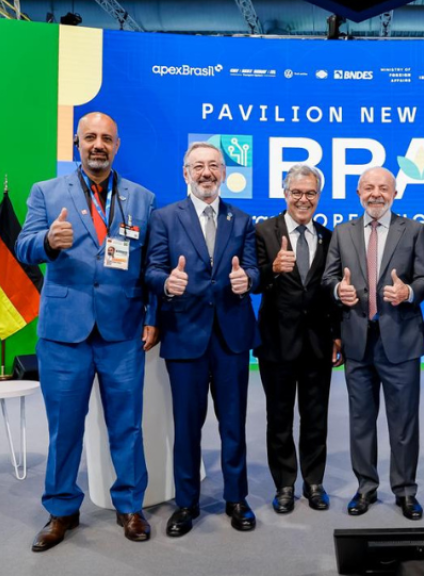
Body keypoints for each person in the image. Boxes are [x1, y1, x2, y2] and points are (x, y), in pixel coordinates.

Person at [15, 112, 158, 551]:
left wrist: (153, 315)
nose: (98, 144)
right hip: (64, 333)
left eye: (106, 139)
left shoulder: (142, 198)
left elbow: (151, 265)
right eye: (90, 137)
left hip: (123, 330)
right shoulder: (45, 192)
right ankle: (61, 510)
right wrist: (47, 242)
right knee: (65, 427)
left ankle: (130, 506)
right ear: (77, 143)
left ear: (117, 145)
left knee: (127, 425)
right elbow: (23, 247)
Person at [144, 141, 260, 537]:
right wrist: (167, 282)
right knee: (187, 426)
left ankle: (236, 498)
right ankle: (186, 503)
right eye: (198, 166)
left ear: (224, 172)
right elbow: (152, 270)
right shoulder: (164, 218)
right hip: (184, 335)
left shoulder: (242, 220)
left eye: (214, 165)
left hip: (231, 339)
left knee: (233, 424)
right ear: (186, 173)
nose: (206, 172)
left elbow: (253, 269)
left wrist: (247, 280)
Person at [322, 167, 424, 520]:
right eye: (368, 187)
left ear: (395, 193)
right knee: (361, 421)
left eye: (383, 188)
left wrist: (408, 292)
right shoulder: (343, 232)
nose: (376, 194)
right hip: (357, 341)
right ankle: (366, 488)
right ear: (358, 193)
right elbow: (328, 277)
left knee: (404, 422)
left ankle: (405, 490)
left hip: (400, 340)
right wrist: (337, 290)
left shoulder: (413, 230)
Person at [254, 164, 342, 513]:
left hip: (318, 343)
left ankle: (314, 482)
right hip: (276, 342)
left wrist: (337, 335)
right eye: (297, 193)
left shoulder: (329, 237)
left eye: (310, 193)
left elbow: (333, 291)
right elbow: (252, 281)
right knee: (279, 418)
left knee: (316, 417)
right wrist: (272, 270)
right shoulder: (263, 231)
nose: (303, 199)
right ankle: (285, 484)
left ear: (318, 197)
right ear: (285, 193)